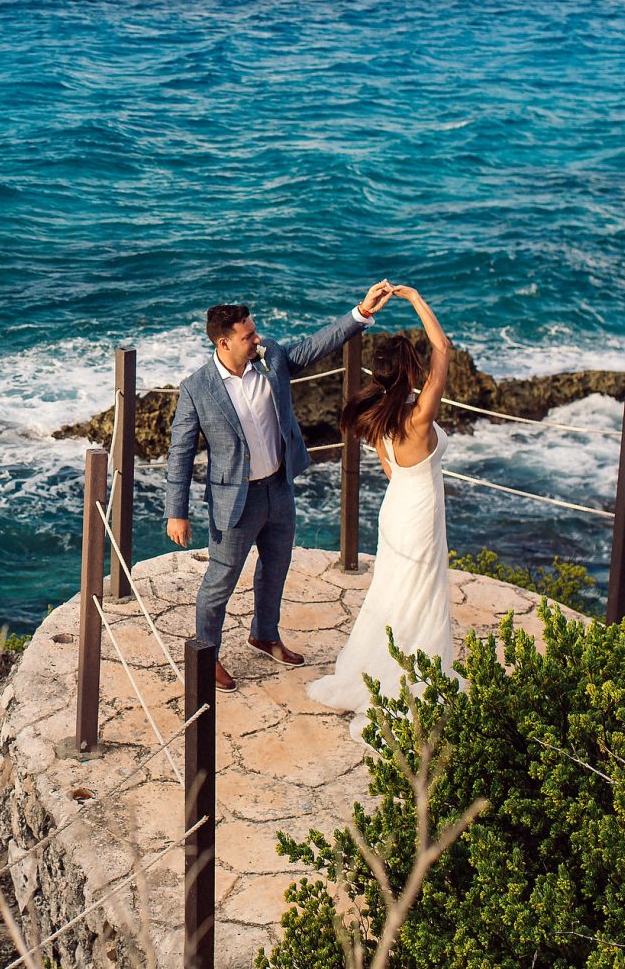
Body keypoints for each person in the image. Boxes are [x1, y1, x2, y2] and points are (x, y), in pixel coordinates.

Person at [166, 282, 397, 692]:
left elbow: (312, 347)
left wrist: (361, 311)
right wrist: (176, 513)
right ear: (224, 343)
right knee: (220, 581)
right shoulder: (196, 389)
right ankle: (206, 654)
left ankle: (265, 634)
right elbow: (180, 453)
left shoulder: (270, 357)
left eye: (255, 332)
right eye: (248, 335)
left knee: (275, 569)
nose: (258, 338)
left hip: (279, 487)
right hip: (235, 501)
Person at [305, 285, 454, 740]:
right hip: (421, 512)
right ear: (408, 375)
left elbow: (392, 472)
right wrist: (413, 298)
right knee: (424, 595)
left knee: (393, 594)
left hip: (397, 511)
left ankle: (376, 671)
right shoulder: (418, 417)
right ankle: (413, 682)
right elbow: (443, 348)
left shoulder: (377, 419)